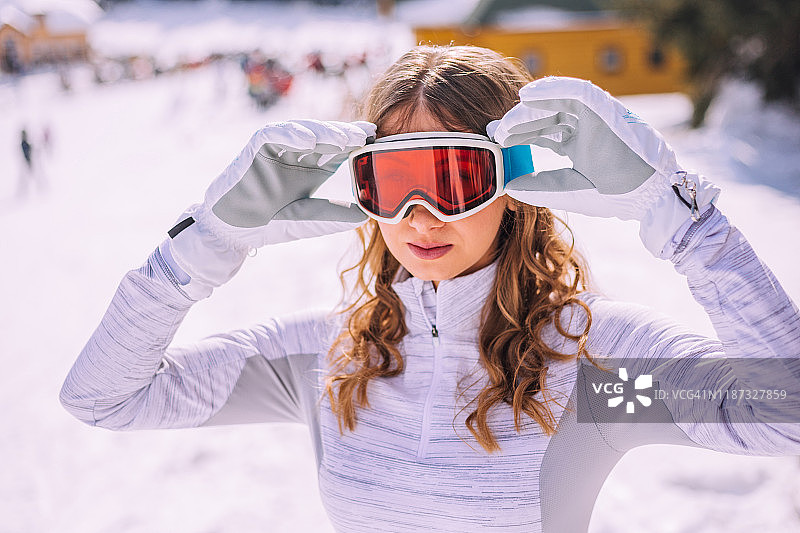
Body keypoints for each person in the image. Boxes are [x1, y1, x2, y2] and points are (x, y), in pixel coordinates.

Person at [60, 45, 800, 532]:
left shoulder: (591, 371)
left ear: (512, 182)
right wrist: (202, 246)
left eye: (452, 178)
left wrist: (680, 217)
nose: (420, 216)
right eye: (395, 181)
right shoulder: (329, 359)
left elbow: (783, 410)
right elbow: (107, 397)